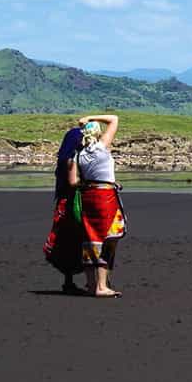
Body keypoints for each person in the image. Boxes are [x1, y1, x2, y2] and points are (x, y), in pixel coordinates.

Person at [70, 113, 126, 298]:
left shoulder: (78, 155)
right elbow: (114, 119)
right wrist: (90, 117)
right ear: (98, 134)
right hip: (105, 197)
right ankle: (101, 286)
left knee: (90, 237)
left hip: (88, 196)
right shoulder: (101, 147)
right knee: (108, 238)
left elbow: (73, 182)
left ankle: (91, 284)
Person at [43, 125, 85, 294]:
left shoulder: (63, 160)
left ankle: (68, 281)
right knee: (78, 240)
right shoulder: (72, 160)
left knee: (65, 241)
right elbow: (74, 182)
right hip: (73, 204)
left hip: (63, 203)